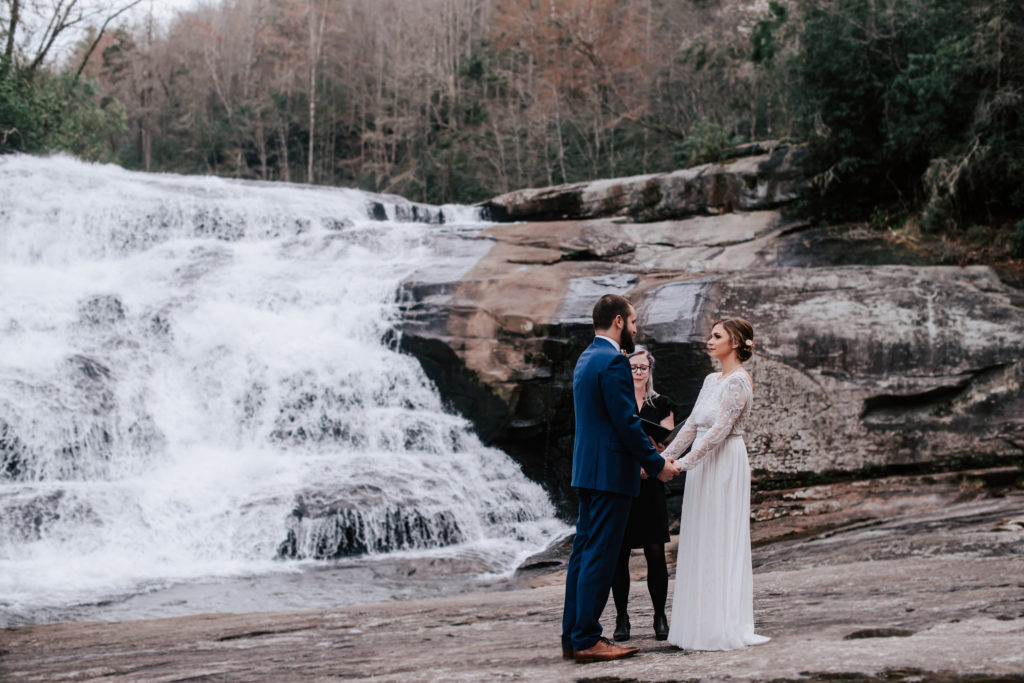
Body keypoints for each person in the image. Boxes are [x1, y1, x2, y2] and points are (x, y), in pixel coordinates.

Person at [561, 294, 682, 664]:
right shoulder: (614, 361)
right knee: (599, 555)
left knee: (583, 555)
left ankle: (573, 635)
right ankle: (586, 639)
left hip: (587, 472)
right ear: (618, 321)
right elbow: (626, 423)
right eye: (632, 323)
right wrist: (657, 463)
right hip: (611, 475)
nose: (634, 329)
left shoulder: (586, 358)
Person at [661, 317, 770, 651]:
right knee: (700, 535)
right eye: (711, 335)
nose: (710, 340)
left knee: (721, 535)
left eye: (717, 336)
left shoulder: (739, 381)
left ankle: (721, 625)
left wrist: (683, 464)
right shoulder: (711, 379)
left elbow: (721, 429)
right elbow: (693, 425)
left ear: (735, 342)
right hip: (701, 462)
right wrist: (662, 459)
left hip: (724, 461)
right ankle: (697, 625)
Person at [611, 345, 674, 642]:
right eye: (632, 368)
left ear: (650, 370)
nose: (638, 373)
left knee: (655, 552)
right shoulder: (616, 401)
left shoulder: (662, 403)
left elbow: (669, 444)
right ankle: (622, 618)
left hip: (650, 486)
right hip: (622, 484)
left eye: (642, 368)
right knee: (618, 555)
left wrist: (653, 462)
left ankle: (660, 616)